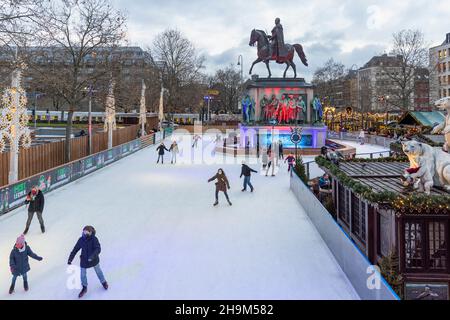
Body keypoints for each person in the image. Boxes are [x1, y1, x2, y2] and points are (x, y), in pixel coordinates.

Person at [68, 226, 108, 298]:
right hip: (84, 260)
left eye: (87, 232)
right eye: (84, 231)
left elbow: (98, 249)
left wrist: (92, 256)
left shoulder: (94, 239)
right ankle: (84, 287)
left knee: (98, 271)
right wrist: (70, 258)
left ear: (91, 232)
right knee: (82, 274)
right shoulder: (81, 240)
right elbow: (75, 249)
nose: (85, 233)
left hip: (93, 259)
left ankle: (104, 282)